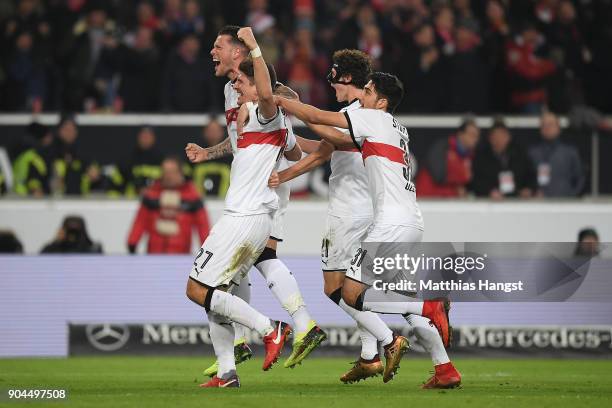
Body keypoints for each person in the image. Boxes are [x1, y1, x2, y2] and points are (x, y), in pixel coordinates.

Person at [273, 72, 460, 387]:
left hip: (389, 223)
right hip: (409, 222)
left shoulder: (373, 119)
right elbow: (334, 139)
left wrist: (283, 102)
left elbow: (318, 118)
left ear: (381, 102)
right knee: (390, 295)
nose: (363, 97)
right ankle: (444, 369)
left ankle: (427, 308)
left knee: (350, 293)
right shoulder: (391, 126)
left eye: (368, 92)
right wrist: (294, 112)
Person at [184, 27, 318, 388]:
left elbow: (285, 130)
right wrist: (208, 152)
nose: (211, 50)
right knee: (219, 290)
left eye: (218, 45)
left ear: (239, 54)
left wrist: (257, 49)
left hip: (251, 209)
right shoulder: (238, 100)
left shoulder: (266, 105)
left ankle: (278, 327)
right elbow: (257, 145)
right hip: (247, 205)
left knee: (201, 288)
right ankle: (228, 369)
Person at [126, 156, 209, 254]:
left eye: (172, 172)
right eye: (166, 172)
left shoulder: (192, 197)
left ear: (180, 173)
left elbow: (203, 226)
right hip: (154, 255)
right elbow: (140, 222)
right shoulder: (151, 196)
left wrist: (208, 248)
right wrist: (132, 243)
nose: (168, 176)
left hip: (181, 257)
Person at [471, 118, 537, 199]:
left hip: (518, 203)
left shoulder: (520, 156)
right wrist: (489, 192)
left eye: (502, 135)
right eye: (495, 136)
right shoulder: (481, 158)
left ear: (508, 137)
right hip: (491, 204)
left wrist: (528, 189)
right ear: (490, 138)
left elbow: (531, 177)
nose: (499, 139)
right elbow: (476, 182)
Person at [415, 117, 480, 197]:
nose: (475, 139)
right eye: (471, 135)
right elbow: (438, 177)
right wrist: (456, 188)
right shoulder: (443, 147)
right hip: (427, 198)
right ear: (460, 134)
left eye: (477, 136)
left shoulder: (470, 156)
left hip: (449, 201)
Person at [528, 111, 584, 197]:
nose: (547, 128)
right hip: (540, 204)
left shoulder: (570, 152)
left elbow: (580, 179)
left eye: (550, 124)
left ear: (558, 128)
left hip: (564, 204)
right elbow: (526, 179)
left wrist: (571, 197)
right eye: (544, 125)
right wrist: (533, 192)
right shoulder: (532, 153)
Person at [190, 119, 232, 198]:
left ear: (222, 132)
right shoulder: (195, 154)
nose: (213, 134)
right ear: (204, 132)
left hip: (226, 202)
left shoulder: (231, 156)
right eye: (210, 130)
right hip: (199, 202)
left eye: (216, 130)